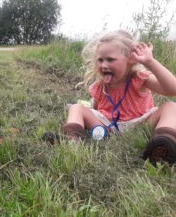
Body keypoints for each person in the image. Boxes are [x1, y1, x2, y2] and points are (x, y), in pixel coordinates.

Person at [52, 30, 176, 165]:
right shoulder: (99, 86)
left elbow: (172, 89)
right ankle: (71, 141)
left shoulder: (139, 79)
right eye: (100, 60)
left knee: (170, 106)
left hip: (140, 124)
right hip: (108, 128)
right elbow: (97, 108)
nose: (103, 65)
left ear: (130, 59)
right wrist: (89, 117)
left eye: (110, 59)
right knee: (77, 108)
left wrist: (150, 62)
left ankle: (162, 146)